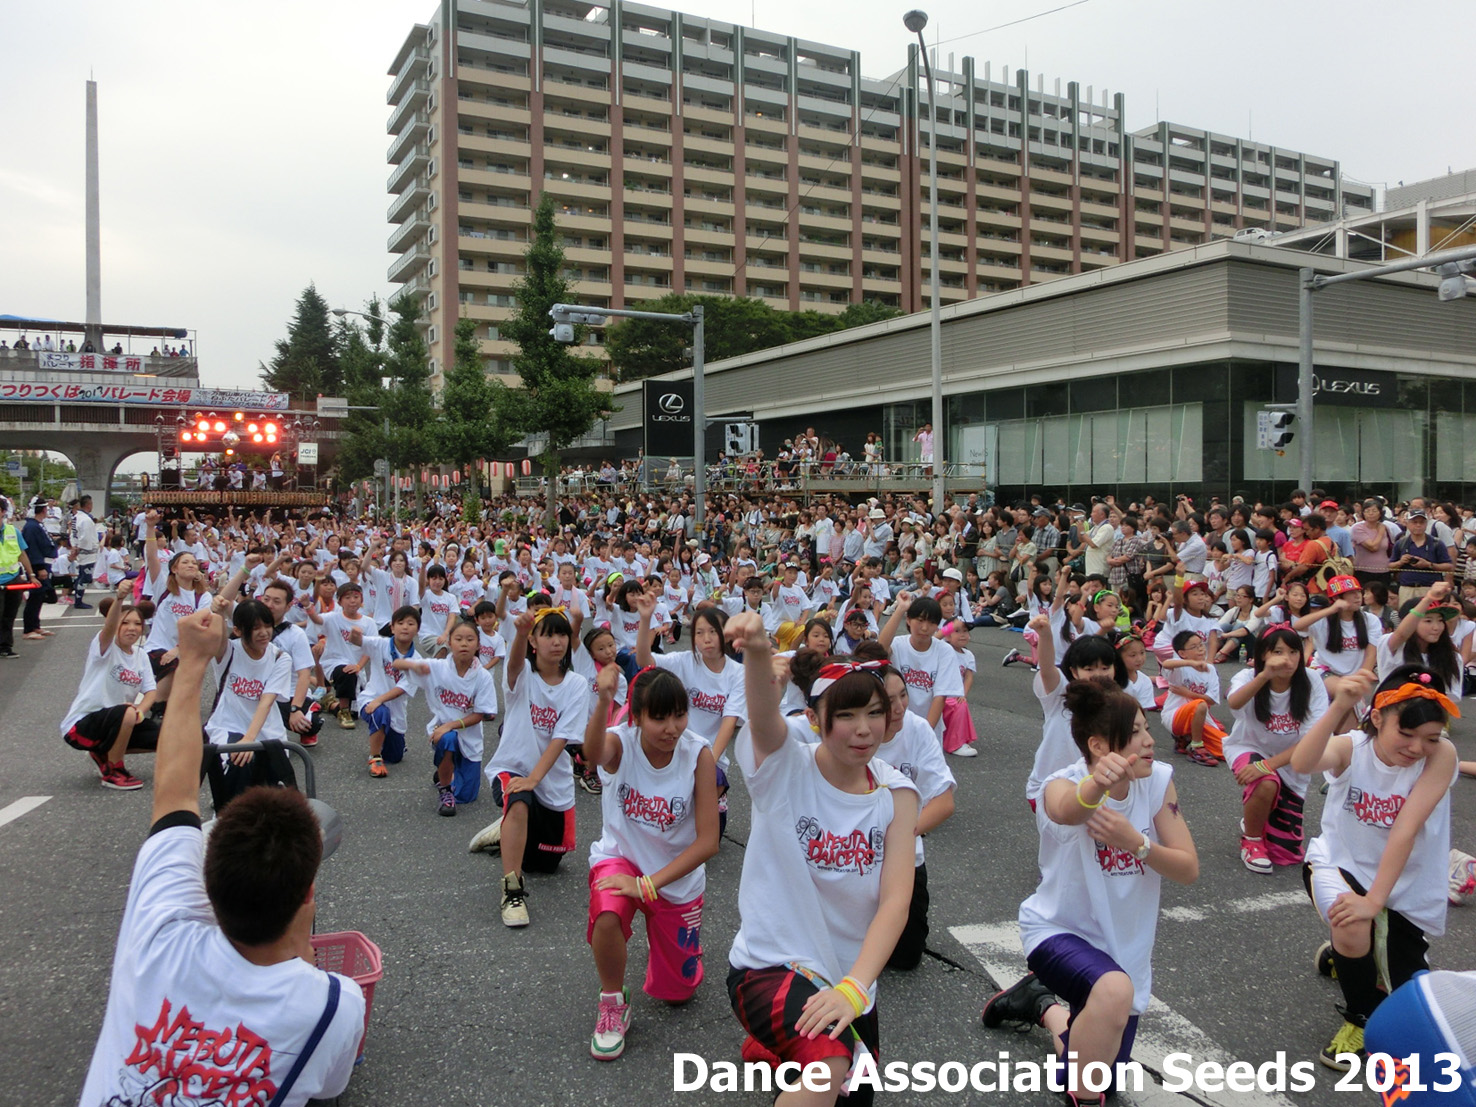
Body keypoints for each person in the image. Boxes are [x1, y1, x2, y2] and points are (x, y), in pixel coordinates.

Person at [80, 605, 365, 1105]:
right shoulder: (334, 1004)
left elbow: (173, 792)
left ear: (206, 878)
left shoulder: (157, 934)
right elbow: (330, 1086)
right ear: (306, 893)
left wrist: (190, 662)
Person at [724, 614, 918, 1107]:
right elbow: (766, 722)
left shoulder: (898, 794)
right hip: (771, 965)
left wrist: (855, 987)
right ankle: (787, 1045)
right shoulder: (786, 769)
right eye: (846, 715)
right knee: (830, 1065)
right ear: (814, 718)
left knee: (856, 1096)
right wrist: (758, 651)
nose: (863, 729)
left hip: (847, 981)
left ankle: (777, 1049)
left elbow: (896, 901)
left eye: (874, 713)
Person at [984, 680, 1197, 1107]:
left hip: (1124, 951)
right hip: (1058, 933)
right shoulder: (1059, 785)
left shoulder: (1156, 782)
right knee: (1109, 1008)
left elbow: (1188, 868)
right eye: (1136, 732)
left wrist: (1136, 842)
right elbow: (1069, 808)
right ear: (1099, 746)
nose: (1150, 740)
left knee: (1098, 1068)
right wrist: (1096, 787)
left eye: (1146, 728)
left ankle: (1042, 1005)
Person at [1291, 666, 1460, 1070]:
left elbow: (1405, 830)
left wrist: (1376, 900)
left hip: (1403, 878)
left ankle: (1346, 958)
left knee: (1413, 996)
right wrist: (1339, 708)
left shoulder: (1442, 756)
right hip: (1338, 863)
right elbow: (1302, 761)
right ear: (1378, 717)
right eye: (1407, 733)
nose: (1418, 747)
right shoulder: (1352, 747)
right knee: (1352, 922)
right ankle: (1361, 1019)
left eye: (1431, 737)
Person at [582, 664, 720, 1060]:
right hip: (621, 859)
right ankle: (612, 1001)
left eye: (679, 714)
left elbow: (709, 841)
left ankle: (679, 955)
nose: (672, 727)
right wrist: (604, 700)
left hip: (675, 879)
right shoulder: (620, 743)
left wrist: (649, 885)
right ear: (637, 717)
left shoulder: (698, 754)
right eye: (659, 717)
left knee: (678, 994)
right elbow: (592, 755)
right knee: (608, 909)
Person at [468, 607, 585, 927]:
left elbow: (562, 738)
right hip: (513, 768)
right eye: (547, 634)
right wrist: (519, 633)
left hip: (551, 780)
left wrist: (536, 779)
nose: (556, 641)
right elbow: (515, 663)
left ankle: (504, 828)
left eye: (562, 634)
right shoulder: (522, 677)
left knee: (546, 864)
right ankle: (512, 891)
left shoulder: (576, 685)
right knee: (518, 799)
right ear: (534, 640)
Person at [1223, 625, 1329, 873]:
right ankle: (1251, 840)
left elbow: (1313, 739)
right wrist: (1264, 676)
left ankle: (1256, 817)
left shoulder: (1311, 680)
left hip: (1293, 759)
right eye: (1278, 651)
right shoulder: (1247, 678)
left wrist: (1267, 765)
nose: (1288, 659)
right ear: (1262, 654)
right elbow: (1234, 705)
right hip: (1247, 747)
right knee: (1266, 783)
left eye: (1294, 651)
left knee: (1286, 854)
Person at [59, 580, 161, 789]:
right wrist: (120, 599)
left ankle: (103, 752)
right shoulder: (105, 647)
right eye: (125, 623)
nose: (131, 628)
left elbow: (150, 691)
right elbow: (108, 627)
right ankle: (113, 769)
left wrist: (141, 712)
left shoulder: (141, 655)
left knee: (168, 735)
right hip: (82, 726)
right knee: (127, 712)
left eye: (137, 624)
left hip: (121, 721)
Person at [393, 618, 496, 816]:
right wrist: (413, 666)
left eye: (469, 639)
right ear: (449, 642)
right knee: (448, 740)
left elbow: (480, 714)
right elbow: (397, 663)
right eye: (458, 639)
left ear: (478, 645)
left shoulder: (482, 677)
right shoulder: (438, 667)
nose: (464, 644)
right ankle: (445, 788)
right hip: (442, 732)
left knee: (467, 797)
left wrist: (451, 725)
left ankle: (445, 771)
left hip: (466, 733)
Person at [350, 604, 422, 778]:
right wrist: (355, 633)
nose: (405, 627)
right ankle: (374, 757)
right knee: (380, 713)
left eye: (411, 624)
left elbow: (402, 689)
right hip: (371, 700)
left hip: (394, 708)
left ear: (418, 629)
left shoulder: (416, 660)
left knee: (395, 757)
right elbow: (358, 641)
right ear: (392, 627)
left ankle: (388, 741)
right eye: (401, 623)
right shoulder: (380, 644)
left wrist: (380, 700)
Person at [0, 495, 37, 658]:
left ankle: (5, 647)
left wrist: (31, 575)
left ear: (2, 512)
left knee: (9, 615)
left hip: (13, 579)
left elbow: (22, 554)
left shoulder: (12, 531)